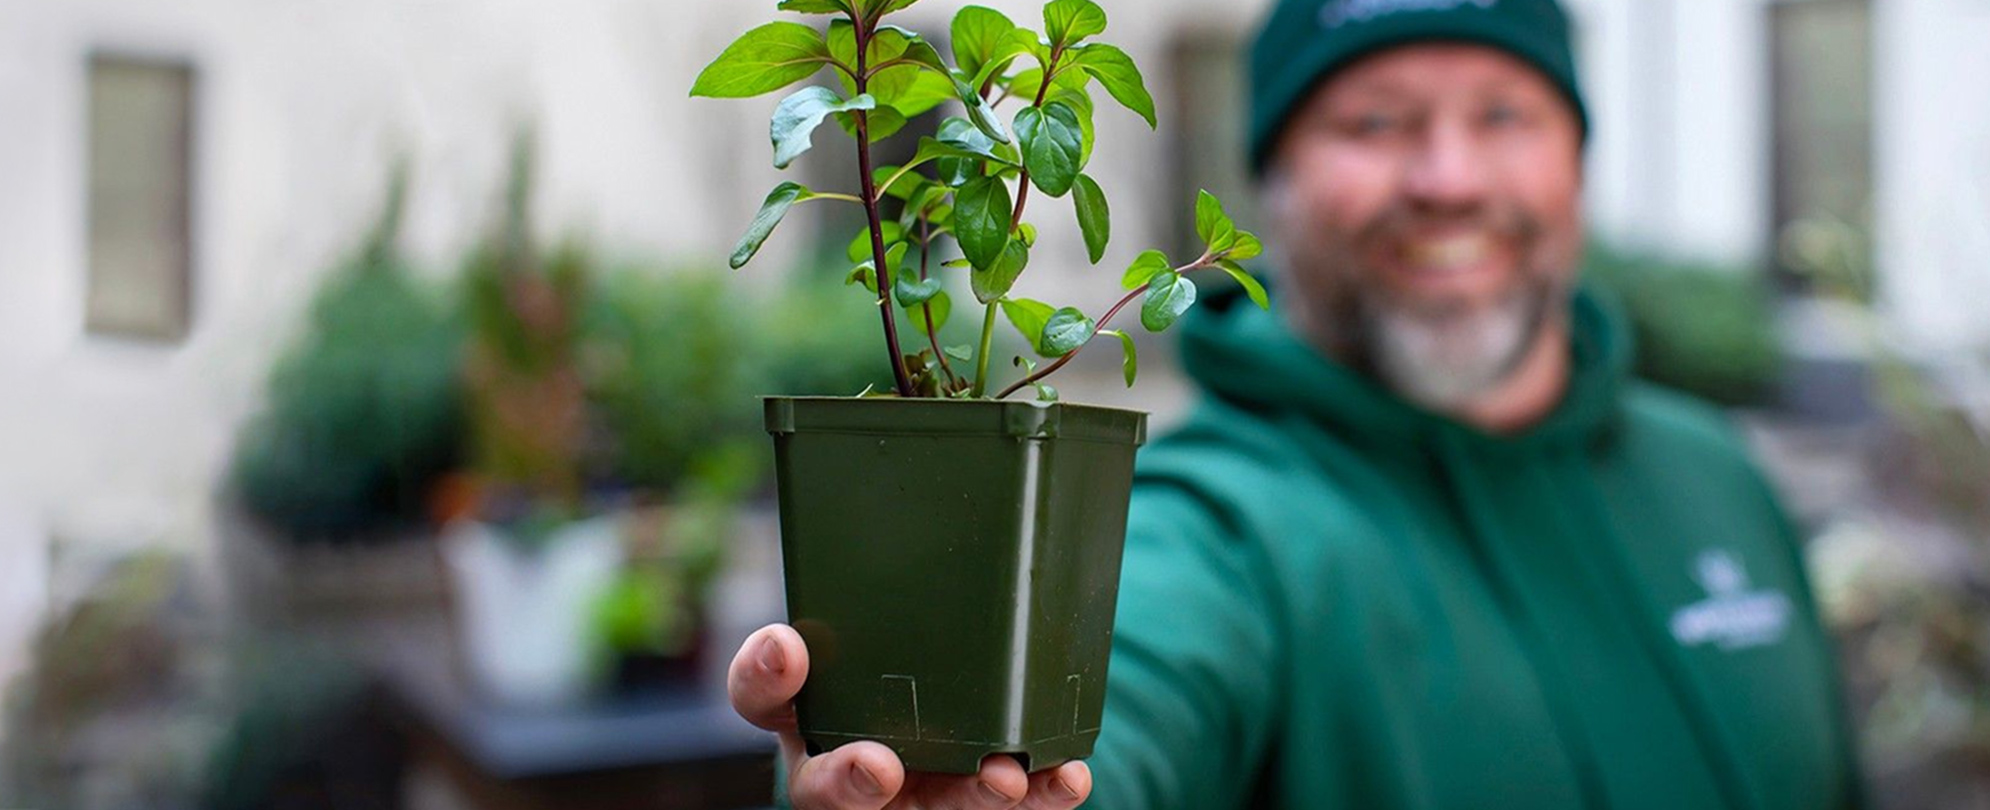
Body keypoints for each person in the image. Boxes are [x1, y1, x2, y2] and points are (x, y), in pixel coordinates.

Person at [727, 0, 1869, 807]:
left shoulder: (1713, 473)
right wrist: (957, 777)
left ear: (1577, 157)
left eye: (1503, 115)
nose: (1448, 178)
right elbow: (1131, 705)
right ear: (1272, 182)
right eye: (1374, 122)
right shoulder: (1199, 527)